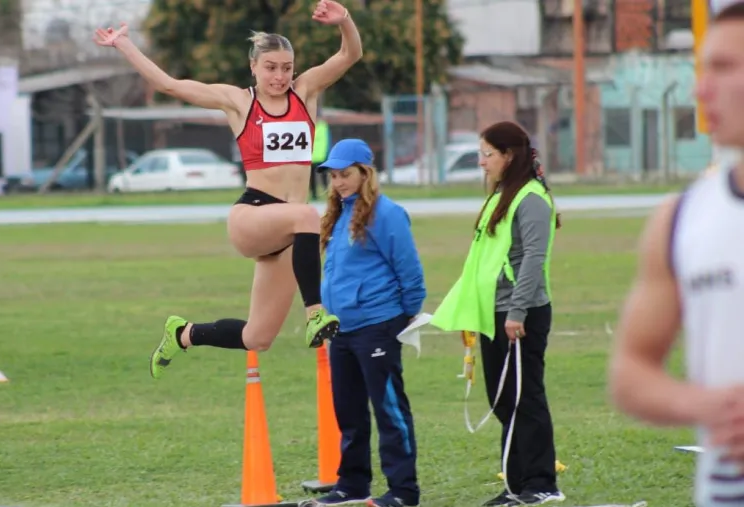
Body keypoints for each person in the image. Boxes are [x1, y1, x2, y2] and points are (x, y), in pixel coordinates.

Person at [92, 0, 363, 378]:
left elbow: (351, 53)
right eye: (270, 68)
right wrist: (124, 44)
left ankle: (183, 334)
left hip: (288, 234)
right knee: (307, 214)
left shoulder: (305, 93)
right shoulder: (239, 102)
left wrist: (344, 21)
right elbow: (170, 85)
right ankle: (315, 313)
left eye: (286, 68)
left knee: (259, 336)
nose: (279, 76)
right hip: (252, 216)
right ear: (253, 67)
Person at [608, 3, 744, 507]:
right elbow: (630, 372)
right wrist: (707, 405)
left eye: (726, 68)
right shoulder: (681, 219)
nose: (701, 89)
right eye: (703, 69)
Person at [429, 121, 565, 506]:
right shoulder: (503, 195)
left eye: (487, 154)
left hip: (520, 315)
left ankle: (541, 484)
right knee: (503, 399)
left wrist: (517, 312)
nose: (481, 162)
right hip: (494, 312)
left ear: (509, 156)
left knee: (525, 397)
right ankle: (517, 483)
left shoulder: (532, 198)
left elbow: (533, 259)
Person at [303, 139, 425, 507]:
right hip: (341, 329)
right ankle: (352, 485)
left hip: (379, 326)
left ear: (365, 173)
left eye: (346, 174)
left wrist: (399, 319)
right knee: (349, 411)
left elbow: (411, 274)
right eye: (334, 176)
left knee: (389, 410)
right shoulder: (338, 214)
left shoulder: (387, 214)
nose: (338, 182)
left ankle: (404, 491)